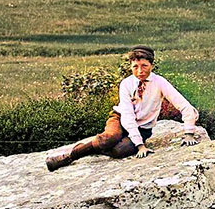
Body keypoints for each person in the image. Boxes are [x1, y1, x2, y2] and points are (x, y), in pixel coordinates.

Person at [46, 46, 199, 170]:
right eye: (135, 66)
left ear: (152, 65)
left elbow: (184, 106)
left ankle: (96, 144)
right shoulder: (126, 83)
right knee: (110, 137)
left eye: (144, 66)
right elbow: (127, 115)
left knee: (119, 151)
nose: (140, 71)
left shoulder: (160, 82)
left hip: (143, 127)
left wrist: (189, 133)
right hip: (120, 118)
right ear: (130, 66)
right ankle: (70, 156)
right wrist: (139, 145)